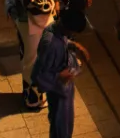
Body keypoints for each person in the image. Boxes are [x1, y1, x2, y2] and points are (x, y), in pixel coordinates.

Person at [31, 9, 90, 138]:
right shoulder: (50, 44)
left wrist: (74, 45)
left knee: (66, 126)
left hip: (64, 89)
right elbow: (38, 76)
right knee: (60, 130)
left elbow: (62, 42)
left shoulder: (56, 29)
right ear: (68, 28)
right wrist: (58, 76)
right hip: (57, 92)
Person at [13, 0, 58, 109]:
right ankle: (33, 98)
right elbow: (44, 7)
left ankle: (33, 94)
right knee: (32, 61)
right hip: (30, 27)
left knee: (30, 58)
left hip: (29, 25)